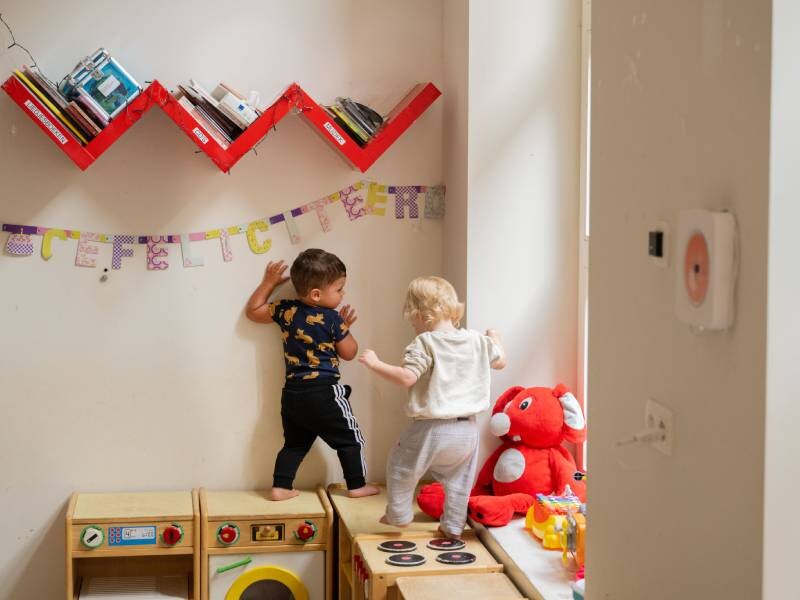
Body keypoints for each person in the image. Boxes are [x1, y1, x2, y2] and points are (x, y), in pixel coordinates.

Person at [359, 276, 506, 537]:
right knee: (460, 482)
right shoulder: (476, 340)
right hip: (467, 431)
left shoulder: (425, 342)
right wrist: (494, 337)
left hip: (431, 428)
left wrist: (375, 363)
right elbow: (500, 361)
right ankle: (452, 526)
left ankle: (399, 515)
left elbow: (407, 377)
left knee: (401, 467)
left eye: (412, 319)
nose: (413, 325)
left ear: (420, 315)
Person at [246, 249, 379, 500]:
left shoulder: (286, 311)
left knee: (295, 444)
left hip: (293, 395)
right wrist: (344, 330)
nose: (343, 294)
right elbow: (350, 352)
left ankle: (281, 487)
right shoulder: (332, 318)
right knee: (351, 440)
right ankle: (356, 485)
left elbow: (254, 311)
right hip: (324, 392)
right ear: (316, 294)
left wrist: (269, 283)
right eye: (339, 290)